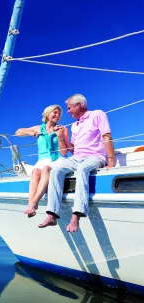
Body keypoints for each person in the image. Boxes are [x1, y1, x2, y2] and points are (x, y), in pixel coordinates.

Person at [39, 94, 115, 232]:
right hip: (77, 157)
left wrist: (111, 162)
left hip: (95, 156)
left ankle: (76, 216)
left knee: (82, 169)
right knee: (56, 171)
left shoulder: (98, 114)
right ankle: (52, 214)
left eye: (69, 108)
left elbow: (106, 136)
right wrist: (61, 137)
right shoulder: (74, 125)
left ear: (78, 105)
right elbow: (73, 149)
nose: (67, 112)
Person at [15, 105, 69, 218]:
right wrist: (30, 133)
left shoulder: (62, 129)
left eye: (59, 114)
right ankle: (31, 204)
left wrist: (59, 137)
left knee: (46, 169)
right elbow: (18, 132)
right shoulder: (39, 128)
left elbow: (64, 153)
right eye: (55, 113)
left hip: (57, 158)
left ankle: (34, 203)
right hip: (42, 159)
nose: (57, 115)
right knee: (35, 172)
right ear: (47, 114)